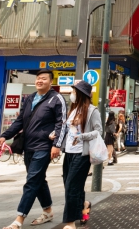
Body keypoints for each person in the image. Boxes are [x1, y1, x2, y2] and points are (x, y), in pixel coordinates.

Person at [0, 70, 66, 229]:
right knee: (38, 180)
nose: (40, 81)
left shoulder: (57, 99)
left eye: (44, 79)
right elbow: (20, 121)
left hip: (44, 147)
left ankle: (19, 219)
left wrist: (57, 145)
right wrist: (4, 135)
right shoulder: (30, 98)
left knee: (31, 181)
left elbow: (61, 124)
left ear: (51, 82)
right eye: (38, 78)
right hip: (28, 146)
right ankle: (48, 211)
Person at [58, 81, 101, 229]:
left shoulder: (92, 111)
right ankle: (84, 204)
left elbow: (98, 131)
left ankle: (70, 223)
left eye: (75, 92)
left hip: (82, 154)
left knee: (71, 187)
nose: (72, 94)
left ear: (81, 94)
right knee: (70, 186)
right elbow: (68, 131)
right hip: (69, 152)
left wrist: (82, 136)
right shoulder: (73, 110)